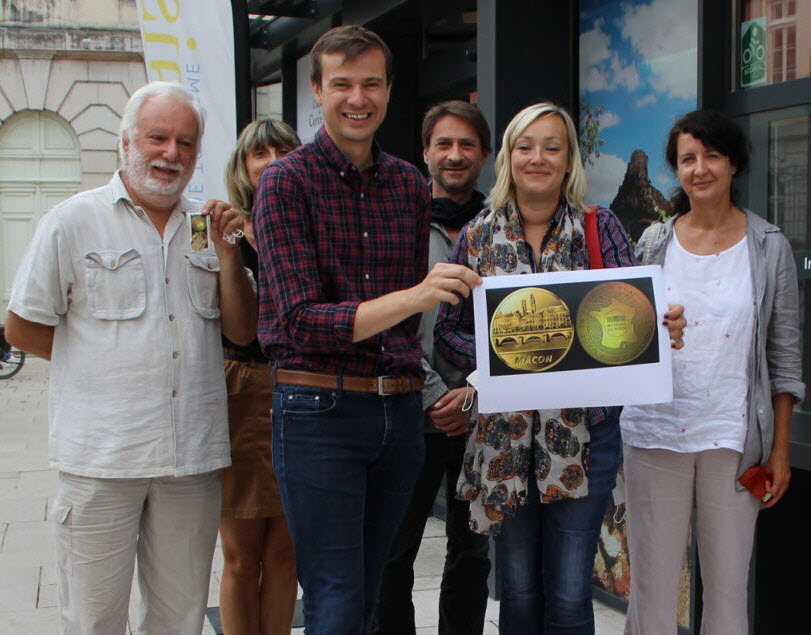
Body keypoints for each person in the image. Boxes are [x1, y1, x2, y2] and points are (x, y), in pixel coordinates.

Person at [4, 81, 257, 634]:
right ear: (126, 142)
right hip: (100, 460)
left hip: (188, 460)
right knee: (94, 620)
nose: (171, 154)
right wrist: (93, 362)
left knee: (179, 619)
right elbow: (20, 326)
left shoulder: (209, 226)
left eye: (185, 143)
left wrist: (229, 254)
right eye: (158, 138)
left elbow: (242, 330)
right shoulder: (72, 221)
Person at [252, 25, 481, 634]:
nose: (359, 98)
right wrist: (413, 296)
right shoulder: (284, 183)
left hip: (399, 413)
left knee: (378, 591)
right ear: (317, 90)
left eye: (372, 84)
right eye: (343, 84)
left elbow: (412, 323)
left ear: (387, 89)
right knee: (335, 599)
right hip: (317, 410)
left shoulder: (409, 184)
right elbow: (300, 320)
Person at [434, 102, 685, 634]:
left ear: (569, 159)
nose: (539, 158)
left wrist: (663, 328)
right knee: (520, 590)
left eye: (553, 147)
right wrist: (499, 362)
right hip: (504, 437)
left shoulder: (599, 228)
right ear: (508, 157)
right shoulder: (477, 238)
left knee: (571, 593)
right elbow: (447, 333)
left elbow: (634, 323)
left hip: (583, 435)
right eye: (526, 146)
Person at [620, 109, 804, 634]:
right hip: (654, 432)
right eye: (688, 158)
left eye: (712, 156)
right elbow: (629, 334)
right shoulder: (654, 242)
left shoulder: (769, 246)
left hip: (732, 438)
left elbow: (785, 359)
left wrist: (781, 451)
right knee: (653, 591)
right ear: (676, 169)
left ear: (734, 163)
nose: (700, 168)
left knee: (726, 592)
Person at [375, 100, 492, 635]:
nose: (455, 154)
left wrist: (472, 394)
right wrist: (433, 395)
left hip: (483, 417)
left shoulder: (501, 229)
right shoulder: (396, 222)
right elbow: (384, 317)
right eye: (443, 144)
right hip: (406, 411)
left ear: (485, 155)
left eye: (467, 144)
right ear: (425, 152)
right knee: (393, 556)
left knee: (472, 556)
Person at [219, 119, 301, 635]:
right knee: (241, 556)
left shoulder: (309, 226)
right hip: (243, 390)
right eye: (259, 153)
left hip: (300, 385)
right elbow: (240, 326)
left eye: (282, 150)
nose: (271, 160)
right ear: (243, 167)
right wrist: (232, 255)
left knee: (286, 553)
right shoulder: (225, 233)